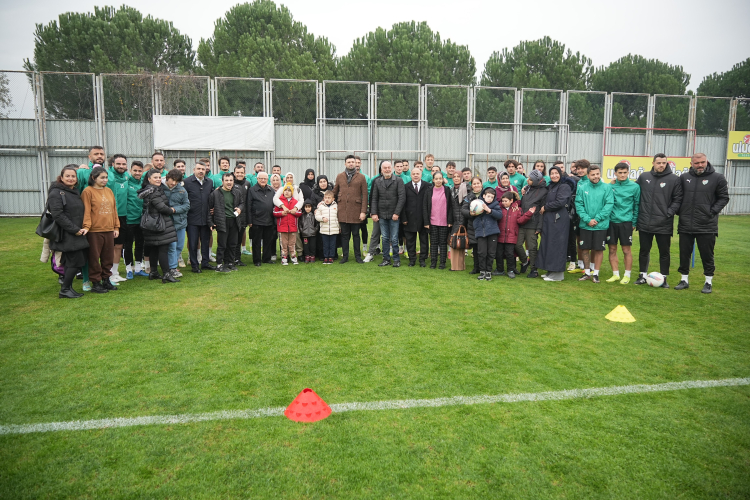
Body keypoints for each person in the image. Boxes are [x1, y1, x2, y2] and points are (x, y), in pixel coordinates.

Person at [674, 153, 729, 293]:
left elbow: (724, 198)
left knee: (707, 255)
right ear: (691, 163)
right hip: (686, 224)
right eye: (697, 163)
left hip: (707, 225)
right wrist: (680, 212)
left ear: (707, 162)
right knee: (684, 254)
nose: (700, 165)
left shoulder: (717, 178)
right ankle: (684, 280)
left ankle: (708, 282)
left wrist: (711, 212)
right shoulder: (684, 178)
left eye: (702, 162)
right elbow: (677, 197)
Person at [634, 153, 683, 288]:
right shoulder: (644, 177)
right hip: (644, 221)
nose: (661, 165)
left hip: (664, 223)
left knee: (664, 252)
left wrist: (668, 213)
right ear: (653, 163)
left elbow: (678, 199)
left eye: (664, 163)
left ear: (667, 163)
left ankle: (664, 278)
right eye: (659, 163)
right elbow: (633, 191)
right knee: (644, 250)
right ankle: (642, 276)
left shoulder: (674, 179)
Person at [47, 165, 90, 298]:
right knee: (75, 261)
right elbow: (58, 215)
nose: (71, 178)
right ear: (61, 177)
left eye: (73, 176)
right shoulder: (56, 193)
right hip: (67, 233)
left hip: (77, 232)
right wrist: (74, 229)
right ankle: (65, 289)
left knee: (71, 261)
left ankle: (67, 288)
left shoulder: (74, 191)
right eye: (67, 176)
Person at [81, 166, 120, 293]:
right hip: (94, 230)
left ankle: (106, 280)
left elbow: (114, 210)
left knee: (108, 257)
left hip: (109, 229)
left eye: (106, 177)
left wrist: (116, 227)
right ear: (93, 178)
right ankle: (96, 282)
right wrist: (86, 226)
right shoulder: (87, 191)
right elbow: (86, 211)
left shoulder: (109, 191)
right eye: (102, 178)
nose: (105, 180)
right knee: (94, 257)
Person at [575, 164, 614, 283]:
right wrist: (587, 220)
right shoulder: (582, 187)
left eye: (597, 174)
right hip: (585, 225)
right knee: (585, 249)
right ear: (588, 175)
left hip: (600, 225)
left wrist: (597, 219)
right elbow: (578, 204)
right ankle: (587, 273)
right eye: (593, 175)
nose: (596, 176)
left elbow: (609, 205)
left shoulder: (607, 187)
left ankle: (596, 273)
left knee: (598, 249)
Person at [138, 169, 179, 282]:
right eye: (155, 177)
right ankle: (166, 274)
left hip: (152, 223)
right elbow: (162, 207)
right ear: (149, 179)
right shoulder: (154, 191)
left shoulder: (150, 189)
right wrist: (172, 210)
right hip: (159, 223)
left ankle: (154, 272)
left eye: (159, 177)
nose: (158, 179)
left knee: (154, 248)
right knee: (163, 249)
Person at [535, 166, 575, 281]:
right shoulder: (551, 186)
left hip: (559, 219)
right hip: (550, 219)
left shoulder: (564, 186)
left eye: (556, 173)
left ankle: (557, 275)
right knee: (549, 244)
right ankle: (550, 271)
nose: (554, 175)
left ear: (560, 174)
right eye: (552, 173)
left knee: (557, 245)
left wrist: (545, 207)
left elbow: (560, 202)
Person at [606, 162, 640, 284]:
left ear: (628, 173)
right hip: (611, 222)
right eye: (620, 173)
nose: (622, 175)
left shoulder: (635, 187)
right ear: (615, 173)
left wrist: (634, 222)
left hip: (626, 222)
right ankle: (615, 274)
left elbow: (637, 205)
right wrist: (610, 184)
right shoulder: (610, 186)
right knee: (612, 249)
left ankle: (627, 275)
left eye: (625, 172)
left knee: (626, 250)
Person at [332, 155, 368, 264]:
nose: (351, 164)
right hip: (343, 210)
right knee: (344, 235)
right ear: (345, 164)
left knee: (356, 235)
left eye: (353, 162)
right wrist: (324, 201)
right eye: (349, 162)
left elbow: (365, 195)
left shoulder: (361, 177)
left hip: (356, 211)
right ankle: (345, 257)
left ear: (355, 163)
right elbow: (335, 191)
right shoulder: (340, 176)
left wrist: (363, 212)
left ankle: (358, 257)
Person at [371, 160, 406, 267]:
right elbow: (374, 198)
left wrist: (397, 213)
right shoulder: (377, 182)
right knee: (385, 238)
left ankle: (396, 259)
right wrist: (374, 213)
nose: (387, 169)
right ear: (381, 170)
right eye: (385, 168)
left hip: (394, 215)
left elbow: (402, 198)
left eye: (388, 167)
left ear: (392, 168)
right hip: (382, 215)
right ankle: (386, 259)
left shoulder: (398, 181)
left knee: (394, 238)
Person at [208, 172, 245, 272]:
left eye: (231, 180)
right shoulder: (215, 193)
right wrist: (210, 222)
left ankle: (230, 263)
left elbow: (242, 203)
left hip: (234, 221)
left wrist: (240, 208)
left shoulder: (237, 192)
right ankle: (219, 265)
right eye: (227, 180)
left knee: (233, 244)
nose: (229, 182)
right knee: (222, 245)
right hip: (222, 221)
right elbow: (209, 209)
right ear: (222, 181)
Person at [184, 162, 215, 273]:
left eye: (203, 169)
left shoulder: (209, 182)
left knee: (205, 242)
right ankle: (194, 265)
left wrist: (213, 208)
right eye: (198, 169)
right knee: (193, 243)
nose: (201, 171)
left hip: (206, 218)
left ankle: (205, 263)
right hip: (192, 218)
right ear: (194, 170)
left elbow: (212, 197)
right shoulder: (187, 182)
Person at [497, 192, 535, 278]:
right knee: (499, 254)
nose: (504, 203)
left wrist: (528, 214)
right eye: (502, 201)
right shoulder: (499, 208)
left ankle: (510, 270)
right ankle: (500, 270)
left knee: (510, 254)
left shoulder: (517, 209)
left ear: (511, 201)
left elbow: (520, 220)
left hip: (511, 236)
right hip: (500, 235)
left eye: (506, 201)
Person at [518, 169, 548, 278]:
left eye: (530, 179)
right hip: (522, 222)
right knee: (517, 245)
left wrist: (539, 227)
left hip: (533, 224)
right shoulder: (527, 188)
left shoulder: (544, 191)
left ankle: (534, 270)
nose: (527, 180)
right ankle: (525, 261)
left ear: (535, 181)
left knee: (532, 248)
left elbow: (542, 211)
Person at [470, 187, 503, 281]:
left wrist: (489, 210)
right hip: (480, 232)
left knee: (491, 253)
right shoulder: (477, 203)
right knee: (481, 253)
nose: (490, 199)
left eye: (492, 197)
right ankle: (482, 271)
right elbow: (472, 215)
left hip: (492, 232)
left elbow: (499, 215)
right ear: (484, 196)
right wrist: (473, 213)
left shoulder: (495, 205)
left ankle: (488, 271)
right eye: (488, 196)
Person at [423, 171, 453, 269]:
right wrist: (426, 222)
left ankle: (442, 263)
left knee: (443, 243)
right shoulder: (429, 190)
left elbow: (450, 206)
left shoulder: (447, 190)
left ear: (443, 179)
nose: (438, 180)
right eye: (436, 179)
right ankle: (433, 262)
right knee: (434, 243)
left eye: (440, 178)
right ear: (433, 180)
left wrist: (450, 221)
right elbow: (425, 207)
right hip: (432, 222)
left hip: (444, 222)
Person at [402, 167, 431, 267]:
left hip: (423, 219)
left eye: (417, 174)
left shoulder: (428, 186)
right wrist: (404, 218)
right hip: (409, 219)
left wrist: (428, 219)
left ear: (421, 175)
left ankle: (422, 260)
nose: (415, 175)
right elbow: (403, 203)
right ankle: (412, 260)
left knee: (424, 241)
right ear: (411, 175)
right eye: (413, 174)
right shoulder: (405, 187)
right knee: (410, 241)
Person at [163, 169, 190, 278]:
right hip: (167, 223)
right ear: (167, 177)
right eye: (172, 180)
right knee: (172, 246)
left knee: (179, 246)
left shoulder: (182, 190)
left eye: (177, 181)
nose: (174, 183)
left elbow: (187, 205)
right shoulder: (161, 188)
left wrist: (174, 209)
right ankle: (172, 268)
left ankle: (172, 266)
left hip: (180, 222)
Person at [124, 161, 148, 278]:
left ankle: (138, 268)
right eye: (135, 170)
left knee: (140, 244)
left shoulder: (144, 184)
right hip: (129, 220)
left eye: (139, 171)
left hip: (141, 220)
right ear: (130, 170)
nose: (137, 173)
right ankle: (129, 269)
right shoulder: (126, 183)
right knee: (128, 245)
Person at [247, 172, 276, 266]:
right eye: (261, 178)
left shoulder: (271, 190)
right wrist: (249, 220)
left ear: (267, 180)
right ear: (257, 179)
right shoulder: (252, 190)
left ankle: (266, 258)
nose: (263, 180)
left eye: (265, 179)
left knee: (268, 240)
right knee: (256, 242)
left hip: (269, 219)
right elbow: (248, 206)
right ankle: (257, 260)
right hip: (256, 220)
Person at [568, 159, 590, 273]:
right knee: (579, 241)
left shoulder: (592, 181)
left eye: (582, 168)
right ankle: (581, 265)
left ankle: (592, 266)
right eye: (578, 169)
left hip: (590, 216)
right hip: (578, 215)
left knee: (591, 243)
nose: (580, 171)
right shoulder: (578, 182)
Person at [461, 177, 485, 275]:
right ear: (472, 185)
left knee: (483, 249)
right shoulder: (468, 197)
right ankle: (476, 268)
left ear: (481, 184)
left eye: (478, 183)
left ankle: (485, 267)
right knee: (475, 248)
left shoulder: (486, 194)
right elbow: (463, 209)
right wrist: (470, 213)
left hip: (484, 225)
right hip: (473, 225)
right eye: (474, 184)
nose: (476, 185)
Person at [273, 184, 302, 265]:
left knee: (292, 243)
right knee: (284, 244)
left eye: (289, 191)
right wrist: (281, 213)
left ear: (292, 193)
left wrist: (294, 212)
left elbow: (299, 212)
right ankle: (284, 257)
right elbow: (275, 212)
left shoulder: (295, 202)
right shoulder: (280, 202)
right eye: (285, 190)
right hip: (282, 227)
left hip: (292, 227)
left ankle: (293, 256)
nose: (287, 192)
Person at [232, 163, 251, 265]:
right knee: (232, 239)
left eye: (241, 172)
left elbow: (248, 201)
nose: (239, 174)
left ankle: (237, 259)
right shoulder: (230, 182)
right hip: (232, 215)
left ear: (244, 173)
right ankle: (229, 258)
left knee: (239, 238)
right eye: (237, 172)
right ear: (234, 173)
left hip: (243, 216)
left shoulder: (247, 183)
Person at [449, 170, 468, 271]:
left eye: (458, 176)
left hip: (463, 219)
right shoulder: (451, 189)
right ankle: (454, 266)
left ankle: (460, 266)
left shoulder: (466, 189)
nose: (456, 178)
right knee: (454, 242)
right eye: (454, 176)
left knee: (461, 243)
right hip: (454, 219)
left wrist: (463, 221)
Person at [315, 190, 340, 264]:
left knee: (332, 244)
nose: (327, 199)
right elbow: (317, 216)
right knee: (325, 244)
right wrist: (322, 218)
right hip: (324, 229)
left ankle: (331, 257)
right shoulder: (321, 206)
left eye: (329, 198)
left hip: (334, 229)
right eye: (325, 198)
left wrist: (339, 227)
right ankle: (326, 257)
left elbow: (338, 217)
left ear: (333, 199)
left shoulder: (336, 206)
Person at [355, 157, 371, 255]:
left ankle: (364, 248)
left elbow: (368, 191)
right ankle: (351, 249)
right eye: (355, 162)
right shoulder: (348, 176)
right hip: (352, 207)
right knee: (352, 229)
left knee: (363, 227)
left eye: (358, 162)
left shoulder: (366, 177)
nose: (357, 164)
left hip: (362, 206)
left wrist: (366, 204)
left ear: (360, 164)